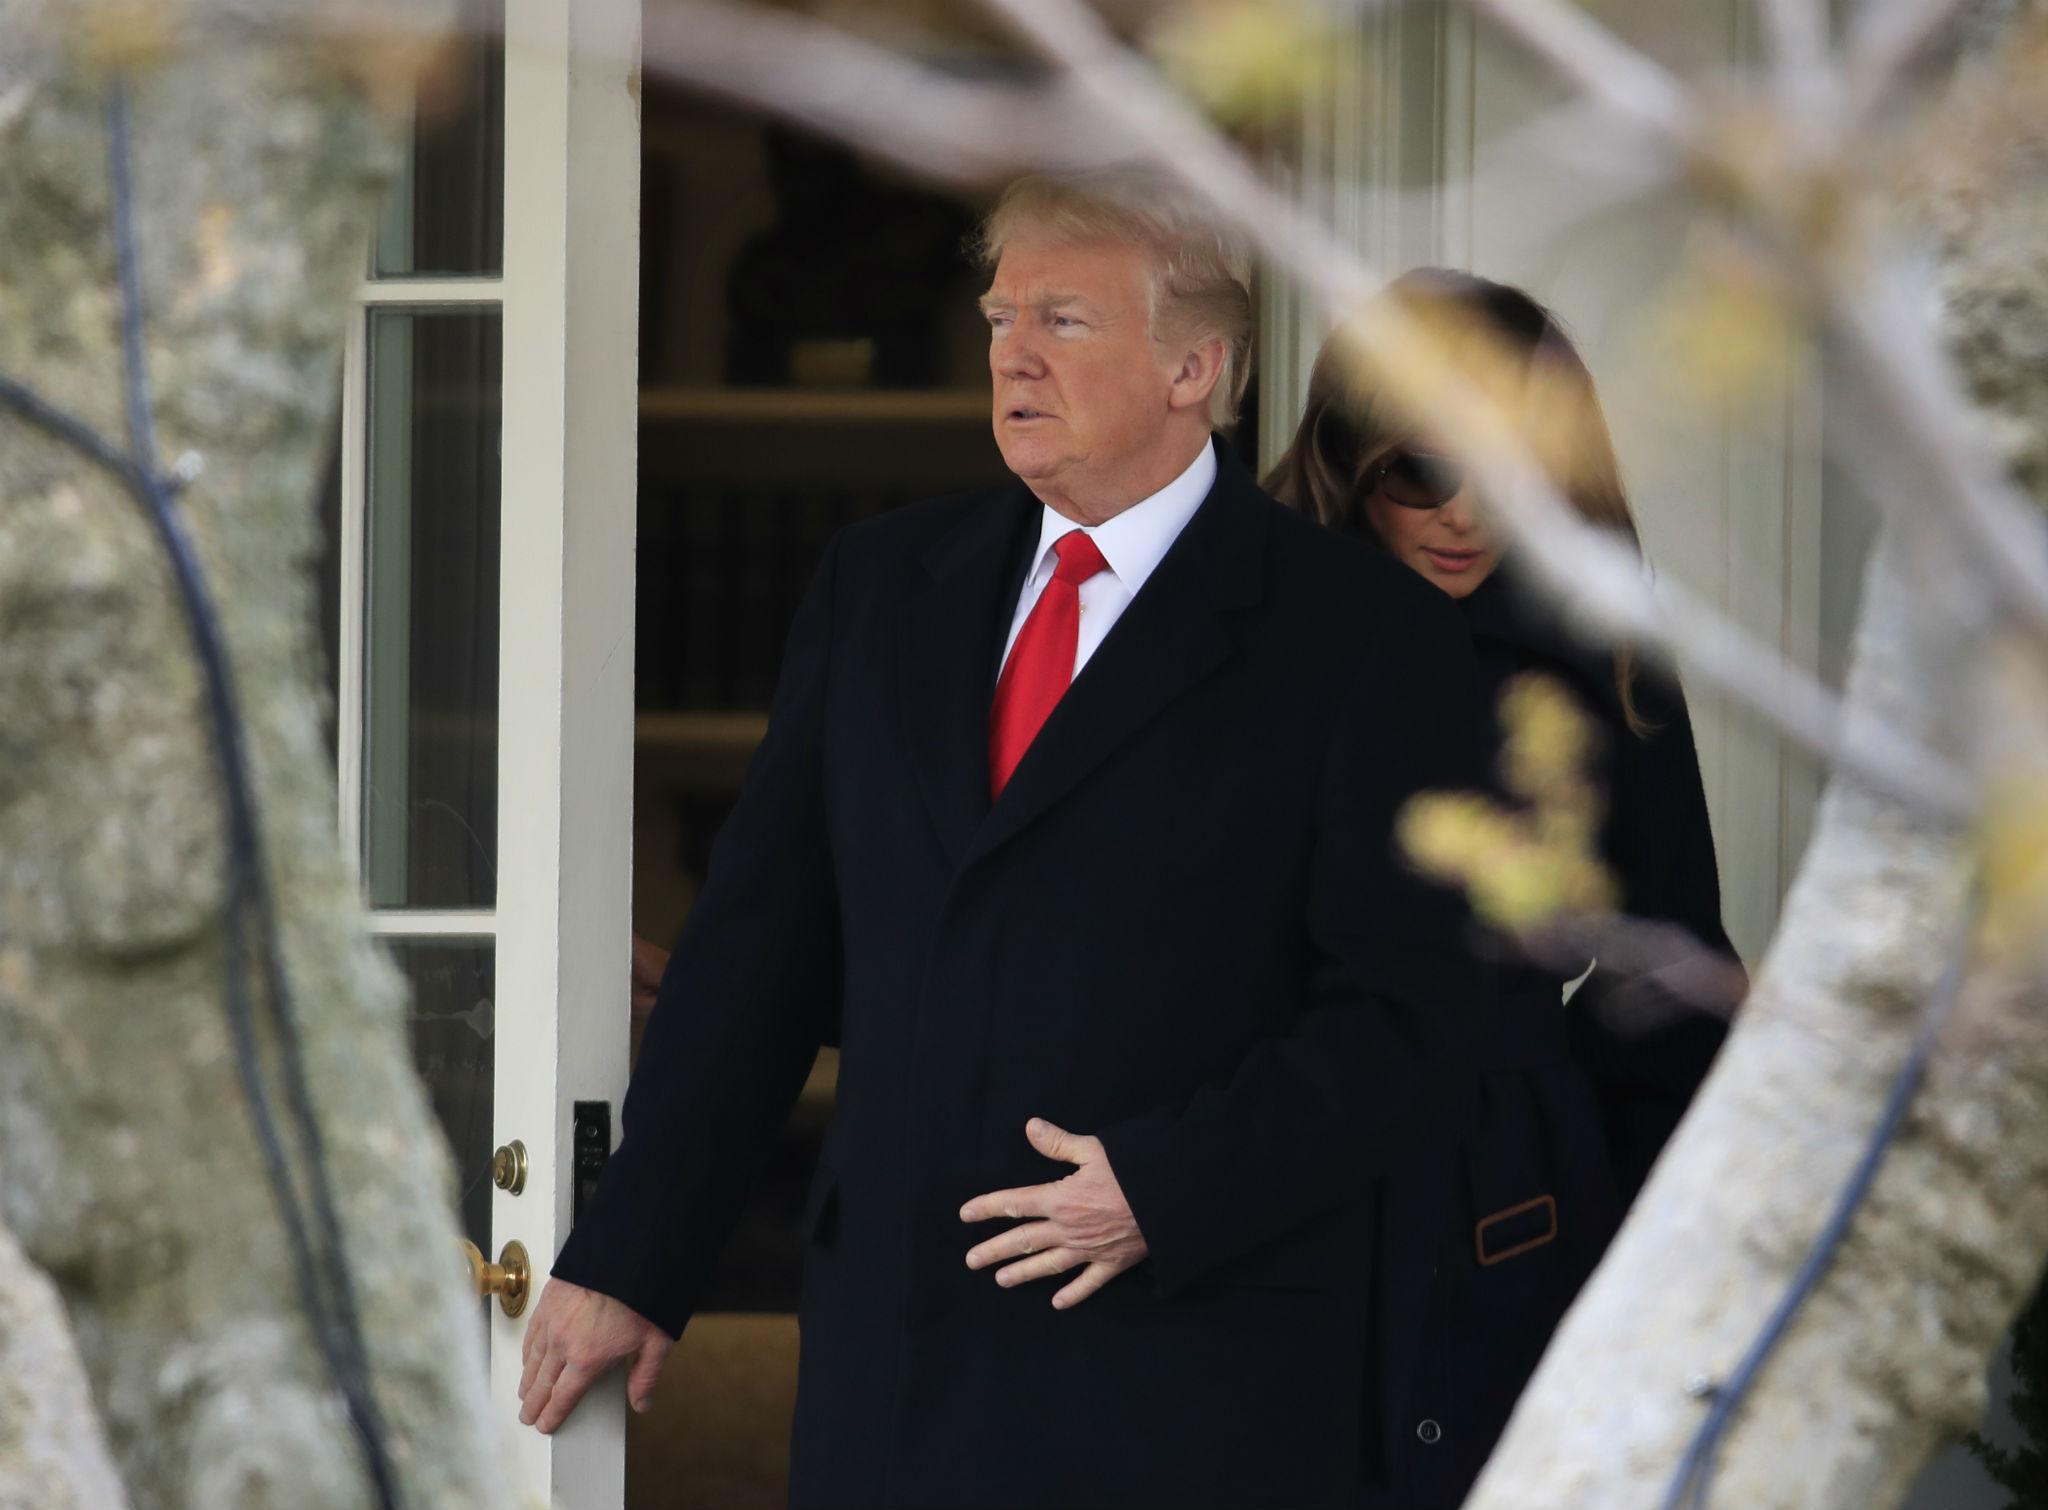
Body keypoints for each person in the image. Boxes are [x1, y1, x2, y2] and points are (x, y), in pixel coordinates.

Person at [517, 170, 1493, 1508]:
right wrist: (634, 1254)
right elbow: (762, 957)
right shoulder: (880, 589)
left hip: (1190, 1372)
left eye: (1064, 321)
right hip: (896, 1366)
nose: (1011, 355)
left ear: (1193, 365)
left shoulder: (1364, 640)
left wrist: (1166, 1184)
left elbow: (1415, 1016)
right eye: (996, 318)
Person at [1264, 267, 1743, 1507]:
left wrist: (1589, 1175)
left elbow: (1672, 963)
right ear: (1352, 450)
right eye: (1424, 467)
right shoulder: (1240, 621)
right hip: (1263, 1171)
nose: (1468, 511)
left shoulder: (1601, 656)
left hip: (1507, 1195)